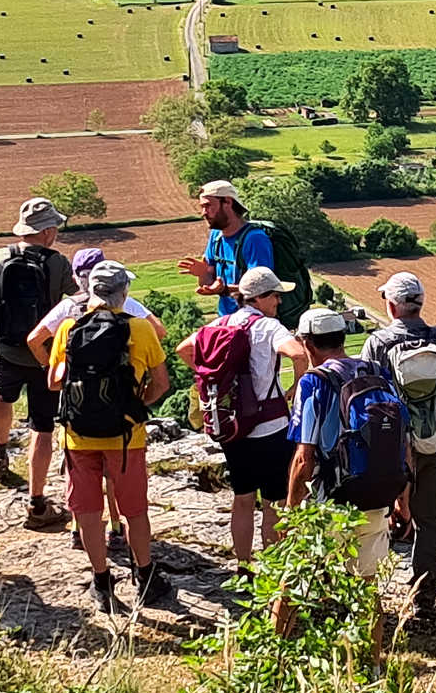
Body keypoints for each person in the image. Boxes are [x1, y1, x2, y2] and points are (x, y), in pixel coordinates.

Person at [47, 260, 173, 613]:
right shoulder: (140, 329)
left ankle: (101, 583)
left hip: (77, 436)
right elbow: (161, 383)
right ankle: (145, 578)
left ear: (91, 291)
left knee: (88, 511)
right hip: (125, 436)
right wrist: (137, 405)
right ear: (124, 292)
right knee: (134, 511)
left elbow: (53, 382)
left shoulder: (69, 328)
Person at [27, 247, 167, 549]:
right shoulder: (130, 308)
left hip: (77, 418)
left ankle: (79, 530)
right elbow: (160, 332)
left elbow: (35, 341)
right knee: (118, 479)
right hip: (124, 423)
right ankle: (117, 529)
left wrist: (53, 366)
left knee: (82, 482)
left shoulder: (68, 311)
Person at [285, 308, 405, 652]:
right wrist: (402, 501)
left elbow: (304, 456)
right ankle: (373, 665)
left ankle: (274, 662)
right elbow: (402, 442)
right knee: (366, 590)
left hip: (331, 502)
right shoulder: (377, 373)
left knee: (291, 584)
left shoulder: (314, 382)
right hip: (375, 495)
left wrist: (291, 511)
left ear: (307, 343)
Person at [359, 271, 436, 613]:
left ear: (392, 306)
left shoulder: (378, 344)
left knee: (373, 517)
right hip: (435, 441)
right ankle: (424, 597)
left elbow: (366, 400)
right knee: (430, 520)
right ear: (420, 304)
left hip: (390, 448)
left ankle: (367, 598)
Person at [177, 264, 308, 572]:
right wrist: (295, 388)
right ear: (259, 298)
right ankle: (274, 570)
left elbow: (183, 349)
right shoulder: (270, 327)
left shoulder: (220, 323)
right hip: (271, 426)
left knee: (243, 498)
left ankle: (244, 567)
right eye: (274, 295)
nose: (278, 301)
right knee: (273, 503)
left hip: (233, 427)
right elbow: (299, 354)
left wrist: (209, 378)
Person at [0, 198, 74, 529]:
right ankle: (37, 503)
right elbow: (81, 300)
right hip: (44, 356)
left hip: (8, 350)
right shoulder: (58, 263)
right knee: (42, 427)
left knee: (2, 397)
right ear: (48, 231)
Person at [178, 180, 273, 317]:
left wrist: (224, 290)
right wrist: (203, 274)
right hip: (226, 319)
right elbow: (208, 280)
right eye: (202, 207)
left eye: (208, 206)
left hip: (253, 322)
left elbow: (261, 287)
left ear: (228, 202)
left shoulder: (255, 239)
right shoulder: (216, 236)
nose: (204, 213)